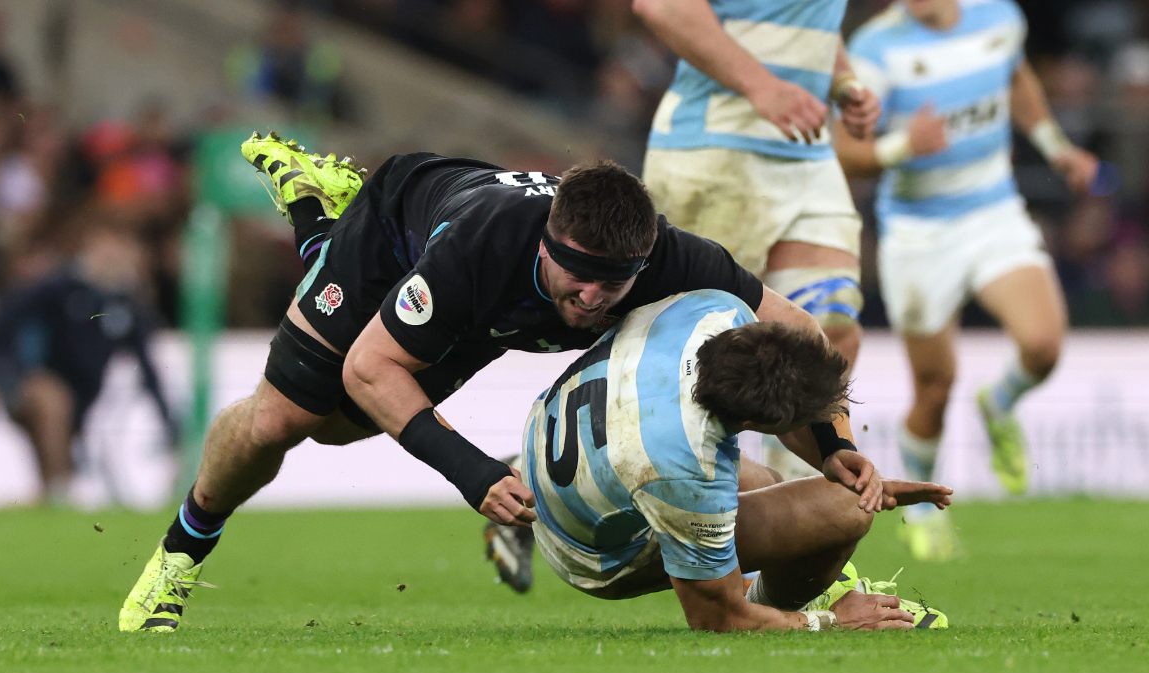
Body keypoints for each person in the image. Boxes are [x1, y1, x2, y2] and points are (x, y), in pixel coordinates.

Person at [119, 132, 876, 632]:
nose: (590, 300)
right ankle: (180, 553)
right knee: (286, 421)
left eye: (611, 286)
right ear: (548, 242)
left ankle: (838, 585)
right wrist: (472, 472)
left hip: (485, 310)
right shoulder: (482, 251)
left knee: (345, 427)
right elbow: (369, 367)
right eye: (575, 276)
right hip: (396, 235)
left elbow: (799, 338)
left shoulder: (673, 258)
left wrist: (834, 443)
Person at [835, 0, 1099, 561]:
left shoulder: (998, 17)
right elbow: (843, 149)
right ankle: (923, 512)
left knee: (1043, 345)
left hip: (993, 212)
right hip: (919, 232)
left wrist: (1057, 149)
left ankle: (999, 404)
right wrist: (903, 146)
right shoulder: (875, 49)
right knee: (934, 387)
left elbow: (1016, 77)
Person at [520, 288, 951, 630]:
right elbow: (715, 617)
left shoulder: (716, 310)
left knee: (768, 485)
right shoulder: (680, 466)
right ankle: (805, 598)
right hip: (589, 553)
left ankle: (800, 583)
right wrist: (830, 621)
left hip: (562, 445)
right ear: (753, 423)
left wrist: (835, 450)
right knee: (845, 508)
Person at [631, 0, 881, 478]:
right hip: (712, 150)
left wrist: (843, 81)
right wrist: (762, 86)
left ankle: (800, 500)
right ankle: (663, 488)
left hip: (807, 152)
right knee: (692, 349)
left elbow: (808, 19)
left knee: (830, 329)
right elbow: (661, 6)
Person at [0, 221, 177, 504]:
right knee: (54, 401)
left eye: (122, 246)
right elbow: (5, 322)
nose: (114, 253)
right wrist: (10, 375)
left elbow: (147, 367)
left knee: (58, 433)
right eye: (108, 244)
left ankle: (49, 498)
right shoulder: (59, 287)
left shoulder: (125, 305)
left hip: (85, 403)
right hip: (35, 389)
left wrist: (167, 419)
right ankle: (59, 488)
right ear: (91, 245)